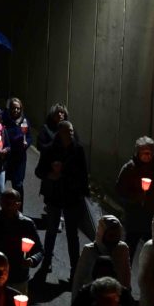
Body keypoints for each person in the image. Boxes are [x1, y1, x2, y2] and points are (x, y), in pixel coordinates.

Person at [34, 120, 89, 280]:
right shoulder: (50, 150)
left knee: (72, 234)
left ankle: (74, 268)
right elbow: (39, 171)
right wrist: (50, 175)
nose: (71, 134)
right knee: (51, 230)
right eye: (67, 131)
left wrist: (83, 192)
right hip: (55, 196)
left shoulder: (78, 150)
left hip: (72, 197)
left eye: (71, 131)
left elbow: (83, 173)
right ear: (60, 133)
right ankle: (47, 262)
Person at [115, 136, 154, 263]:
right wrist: (135, 197)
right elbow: (120, 190)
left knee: (153, 253)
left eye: (150, 153)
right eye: (144, 153)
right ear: (138, 152)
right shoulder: (130, 168)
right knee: (129, 250)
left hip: (153, 218)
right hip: (135, 217)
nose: (147, 156)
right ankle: (124, 273)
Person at [0, 190, 43, 293]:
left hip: (18, 278)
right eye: (5, 203)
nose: (8, 206)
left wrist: (32, 260)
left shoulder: (27, 225)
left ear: (18, 204)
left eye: (11, 203)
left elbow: (39, 250)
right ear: (1, 203)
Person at [68, 256, 137, 306]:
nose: (104, 280)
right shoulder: (86, 293)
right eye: (102, 275)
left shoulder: (123, 294)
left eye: (107, 275)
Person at [72, 215, 131, 298]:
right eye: (111, 235)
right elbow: (78, 280)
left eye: (117, 235)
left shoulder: (122, 249)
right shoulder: (89, 250)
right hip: (93, 297)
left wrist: (126, 296)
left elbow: (126, 275)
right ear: (102, 234)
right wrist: (75, 301)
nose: (114, 239)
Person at [3, 98, 31, 201]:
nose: (16, 110)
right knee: (0, 184)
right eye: (14, 108)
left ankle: (19, 208)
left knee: (18, 185)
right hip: (6, 157)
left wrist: (26, 143)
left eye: (18, 108)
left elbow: (29, 137)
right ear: (10, 108)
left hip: (19, 159)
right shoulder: (4, 119)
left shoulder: (24, 121)